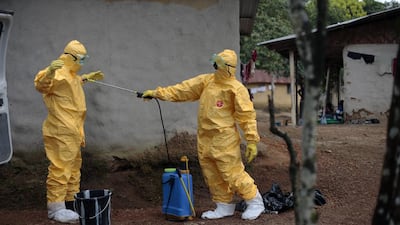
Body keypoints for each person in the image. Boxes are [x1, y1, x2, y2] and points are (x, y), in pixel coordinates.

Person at [142, 49, 265, 220]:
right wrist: (157, 93)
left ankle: (255, 201)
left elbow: (246, 115)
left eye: (220, 63)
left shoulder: (236, 89)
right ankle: (224, 206)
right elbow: (183, 90)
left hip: (224, 138)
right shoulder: (207, 81)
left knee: (231, 172)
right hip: (205, 138)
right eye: (216, 61)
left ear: (229, 67)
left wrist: (251, 140)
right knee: (212, 173)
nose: (216, 65)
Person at [34, 40, 104, 223]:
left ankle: (71, 202)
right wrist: (49, 71)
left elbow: (70, 84)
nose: (82, 62)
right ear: (70, 57)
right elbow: (42, 85)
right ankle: (56, 208)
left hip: (73, 131)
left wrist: (86, 78)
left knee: (73, 168)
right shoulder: (56, 71)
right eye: (81, 59)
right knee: (60, 168)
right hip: (60, 130)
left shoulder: (72, 74)